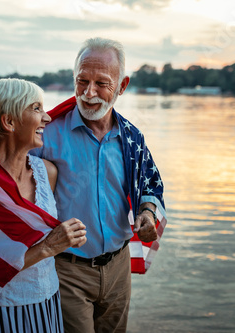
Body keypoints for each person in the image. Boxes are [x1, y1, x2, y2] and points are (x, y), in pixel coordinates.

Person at [32, 37, 167, 332]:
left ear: (122, 86)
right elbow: (10, 186)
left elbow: (150, 185)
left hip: (119, 267)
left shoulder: (132, 137)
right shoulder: (44, 134)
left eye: (101, 83)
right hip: (65, 269)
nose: (89, 92)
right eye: (82, 81)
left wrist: (148, 213)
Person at [0, 78, 87, 333]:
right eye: (36, 108)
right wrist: (50, 246)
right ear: (9, 122)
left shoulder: (47, 173)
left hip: (47, 297)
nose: (46, 118)